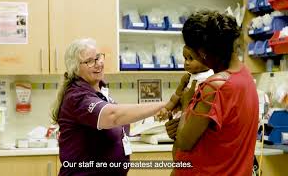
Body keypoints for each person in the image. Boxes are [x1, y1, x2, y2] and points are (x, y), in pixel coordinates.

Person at [50, 38, 166, 176]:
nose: (98, 64)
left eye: (98, 57)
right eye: (89, 61)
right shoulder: (77, 96)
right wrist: (165, 105)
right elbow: (113, 116)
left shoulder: (100, 91)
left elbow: (119, 121)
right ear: (75, 68)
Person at [165, 10, 259, 175]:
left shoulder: (214, 86)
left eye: (191, 50)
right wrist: (181, 126)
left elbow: (185, 142)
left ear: (202, 52)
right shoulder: (245, 76)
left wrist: (187, 104)